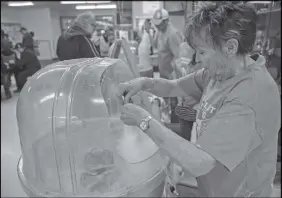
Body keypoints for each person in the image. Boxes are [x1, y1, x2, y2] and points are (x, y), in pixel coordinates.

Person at [115, 2, 281, 197]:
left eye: (202, 51)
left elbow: (201, 162)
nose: (197, 59)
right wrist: (143, 83)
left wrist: (143, 120)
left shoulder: (250, 96)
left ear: (230, 47)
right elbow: (174, 86)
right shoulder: (220, 72)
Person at [151, 8, 184, 123]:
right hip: (164, 75)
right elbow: (156, 47)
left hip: (172, 77)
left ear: (166, 21)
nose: (158, 27)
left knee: (175, 104)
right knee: (167, 105)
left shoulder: (173, 34)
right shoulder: (160, 32)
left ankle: (176, 128)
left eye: (159, 24)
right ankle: (170, 123)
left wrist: (174, 77)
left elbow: (179, 58)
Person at [174, 42, 204, 141]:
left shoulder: (205, 59)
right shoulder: (183, 48)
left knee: (202, 141)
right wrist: (179, 101)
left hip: (200, 107)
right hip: (185, 106)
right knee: (184, 140)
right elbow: (179, 81)